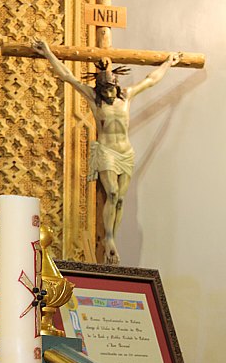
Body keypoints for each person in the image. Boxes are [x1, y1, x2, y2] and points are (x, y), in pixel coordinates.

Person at [31, 39, 181, 264]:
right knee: (111, 193)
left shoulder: (126, 96)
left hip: (126, 153)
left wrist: (168, 63)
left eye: (112, 89)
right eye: (106, 90)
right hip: (107, 152)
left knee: (120, 199)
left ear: (116, 86)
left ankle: (113, 237)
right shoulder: (94, 100)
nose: (110, 93)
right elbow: (67, 77)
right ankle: (108, 239)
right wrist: (49, 53)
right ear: (100, 89)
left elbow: (151, 80)